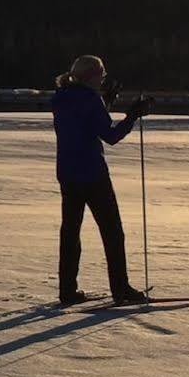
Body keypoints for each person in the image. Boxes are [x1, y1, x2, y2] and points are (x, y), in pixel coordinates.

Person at [51, 54, 152, 306]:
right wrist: (132, 116)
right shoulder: (90, 99)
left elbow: (83, 121)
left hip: (67, 173)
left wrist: (104, 101)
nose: (104, 78)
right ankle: (121, 289)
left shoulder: (60, 97)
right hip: (93, 175)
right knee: (112, 232)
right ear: (91, 76)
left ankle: (67, 290)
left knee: (71, 232)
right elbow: (110, 135)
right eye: (102, 74)